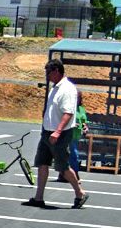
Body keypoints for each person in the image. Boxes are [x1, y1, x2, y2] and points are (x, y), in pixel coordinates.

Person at [24, 58, 86, 208]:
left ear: (57, 71)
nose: (47, 75)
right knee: (42, 163)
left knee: (62, 167)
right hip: (47, 131)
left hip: (60, 134)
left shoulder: (68, 89)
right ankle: (39, 197)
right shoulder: (55, 88)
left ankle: (80, 193)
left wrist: (57, 132)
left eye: (48, 72)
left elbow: (68, 112)